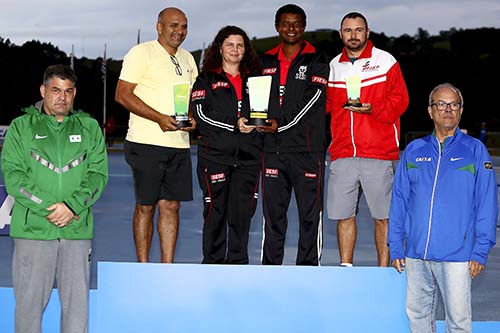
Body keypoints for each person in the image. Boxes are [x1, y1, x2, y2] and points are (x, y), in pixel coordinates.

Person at [1, 64, 108, 333]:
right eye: (56, 90)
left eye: (68, 91)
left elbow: (98, 175)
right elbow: (14, 177)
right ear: (43, 90)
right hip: (33, 231)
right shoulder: (20, 127)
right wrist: (50, 208)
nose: (62, 97)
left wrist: (71, 207)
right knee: (28, 308)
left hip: (77, 230)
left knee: (77, 309)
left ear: (74, 93)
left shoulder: (89, 127)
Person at [389, 83, 498, 332]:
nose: (447, 109)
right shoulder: (414, 151)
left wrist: (480, 249)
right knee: (417, 316)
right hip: (416, 253)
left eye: (454, 105)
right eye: (441, 104)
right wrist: (396, 246)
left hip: (458, 255)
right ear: (430, 111)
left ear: (460, 111)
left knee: (458, 322)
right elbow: (399, 200)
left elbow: (486, 204)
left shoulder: (475, 151)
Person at [115, 7, 198, 263]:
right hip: (146, 143)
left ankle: (166, 268)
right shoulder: (141, 53)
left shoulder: (188, 59)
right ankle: (143, 267)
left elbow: (192, 99)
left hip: (179, 144)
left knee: (172, 206)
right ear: (159, 26)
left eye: (184, 26)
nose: (179, 31)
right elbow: (122, 95)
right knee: (146, 206)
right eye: (173, 25)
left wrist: (193, 118)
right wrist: (159, 118)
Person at [326, 12, 409, 267]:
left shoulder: (386, 61)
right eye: (348, 30)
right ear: (341, 34)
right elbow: (325, 107)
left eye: (358, 30)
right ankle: (346, 268)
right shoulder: (333, 66)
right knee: (343, 216)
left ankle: (383, 271)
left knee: (383, 217)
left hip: (377, 152)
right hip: (343, 153)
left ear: (367, 32)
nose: (353, 35)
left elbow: (401, 100)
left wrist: (372, 108)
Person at [259, 4, 329, 266]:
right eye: (285, 23)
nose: (291, 28)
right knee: (273, 217)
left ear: (304, 26)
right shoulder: (264, 60)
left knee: (310, 217)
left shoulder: (317, 60)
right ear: (277, 26)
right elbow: (254, 97)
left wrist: (281, 124)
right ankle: (270, 270)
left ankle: (309, 270)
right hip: (272, 152)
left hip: (307, 152)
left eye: (296, 23)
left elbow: (313, 101)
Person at [191, 26, 262, 264]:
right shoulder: (206, 78)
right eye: (230, 44)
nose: (235, 49)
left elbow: (266, 111)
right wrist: (234, 123)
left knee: (242, 216)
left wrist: (261, 125)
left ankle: (238, 265)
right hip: (215, 158)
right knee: (215, 214)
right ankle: (211, 265)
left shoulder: (256, 79)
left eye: (240, 45)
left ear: (246, 50)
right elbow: (201, 113)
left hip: (248, 160)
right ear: (220, 47)